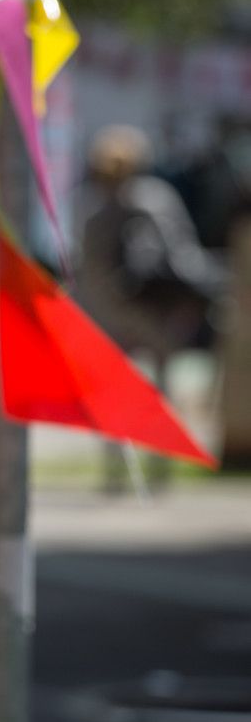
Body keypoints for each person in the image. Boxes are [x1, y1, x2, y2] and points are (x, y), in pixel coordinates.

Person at [77, 125, 223, 488]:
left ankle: (115, 470)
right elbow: (181, 256)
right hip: (152, 311)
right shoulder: (156, 198)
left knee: (111, 393)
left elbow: (85, 268)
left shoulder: (92, 206)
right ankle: (159, 466)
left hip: (108, 313)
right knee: (160, 388)